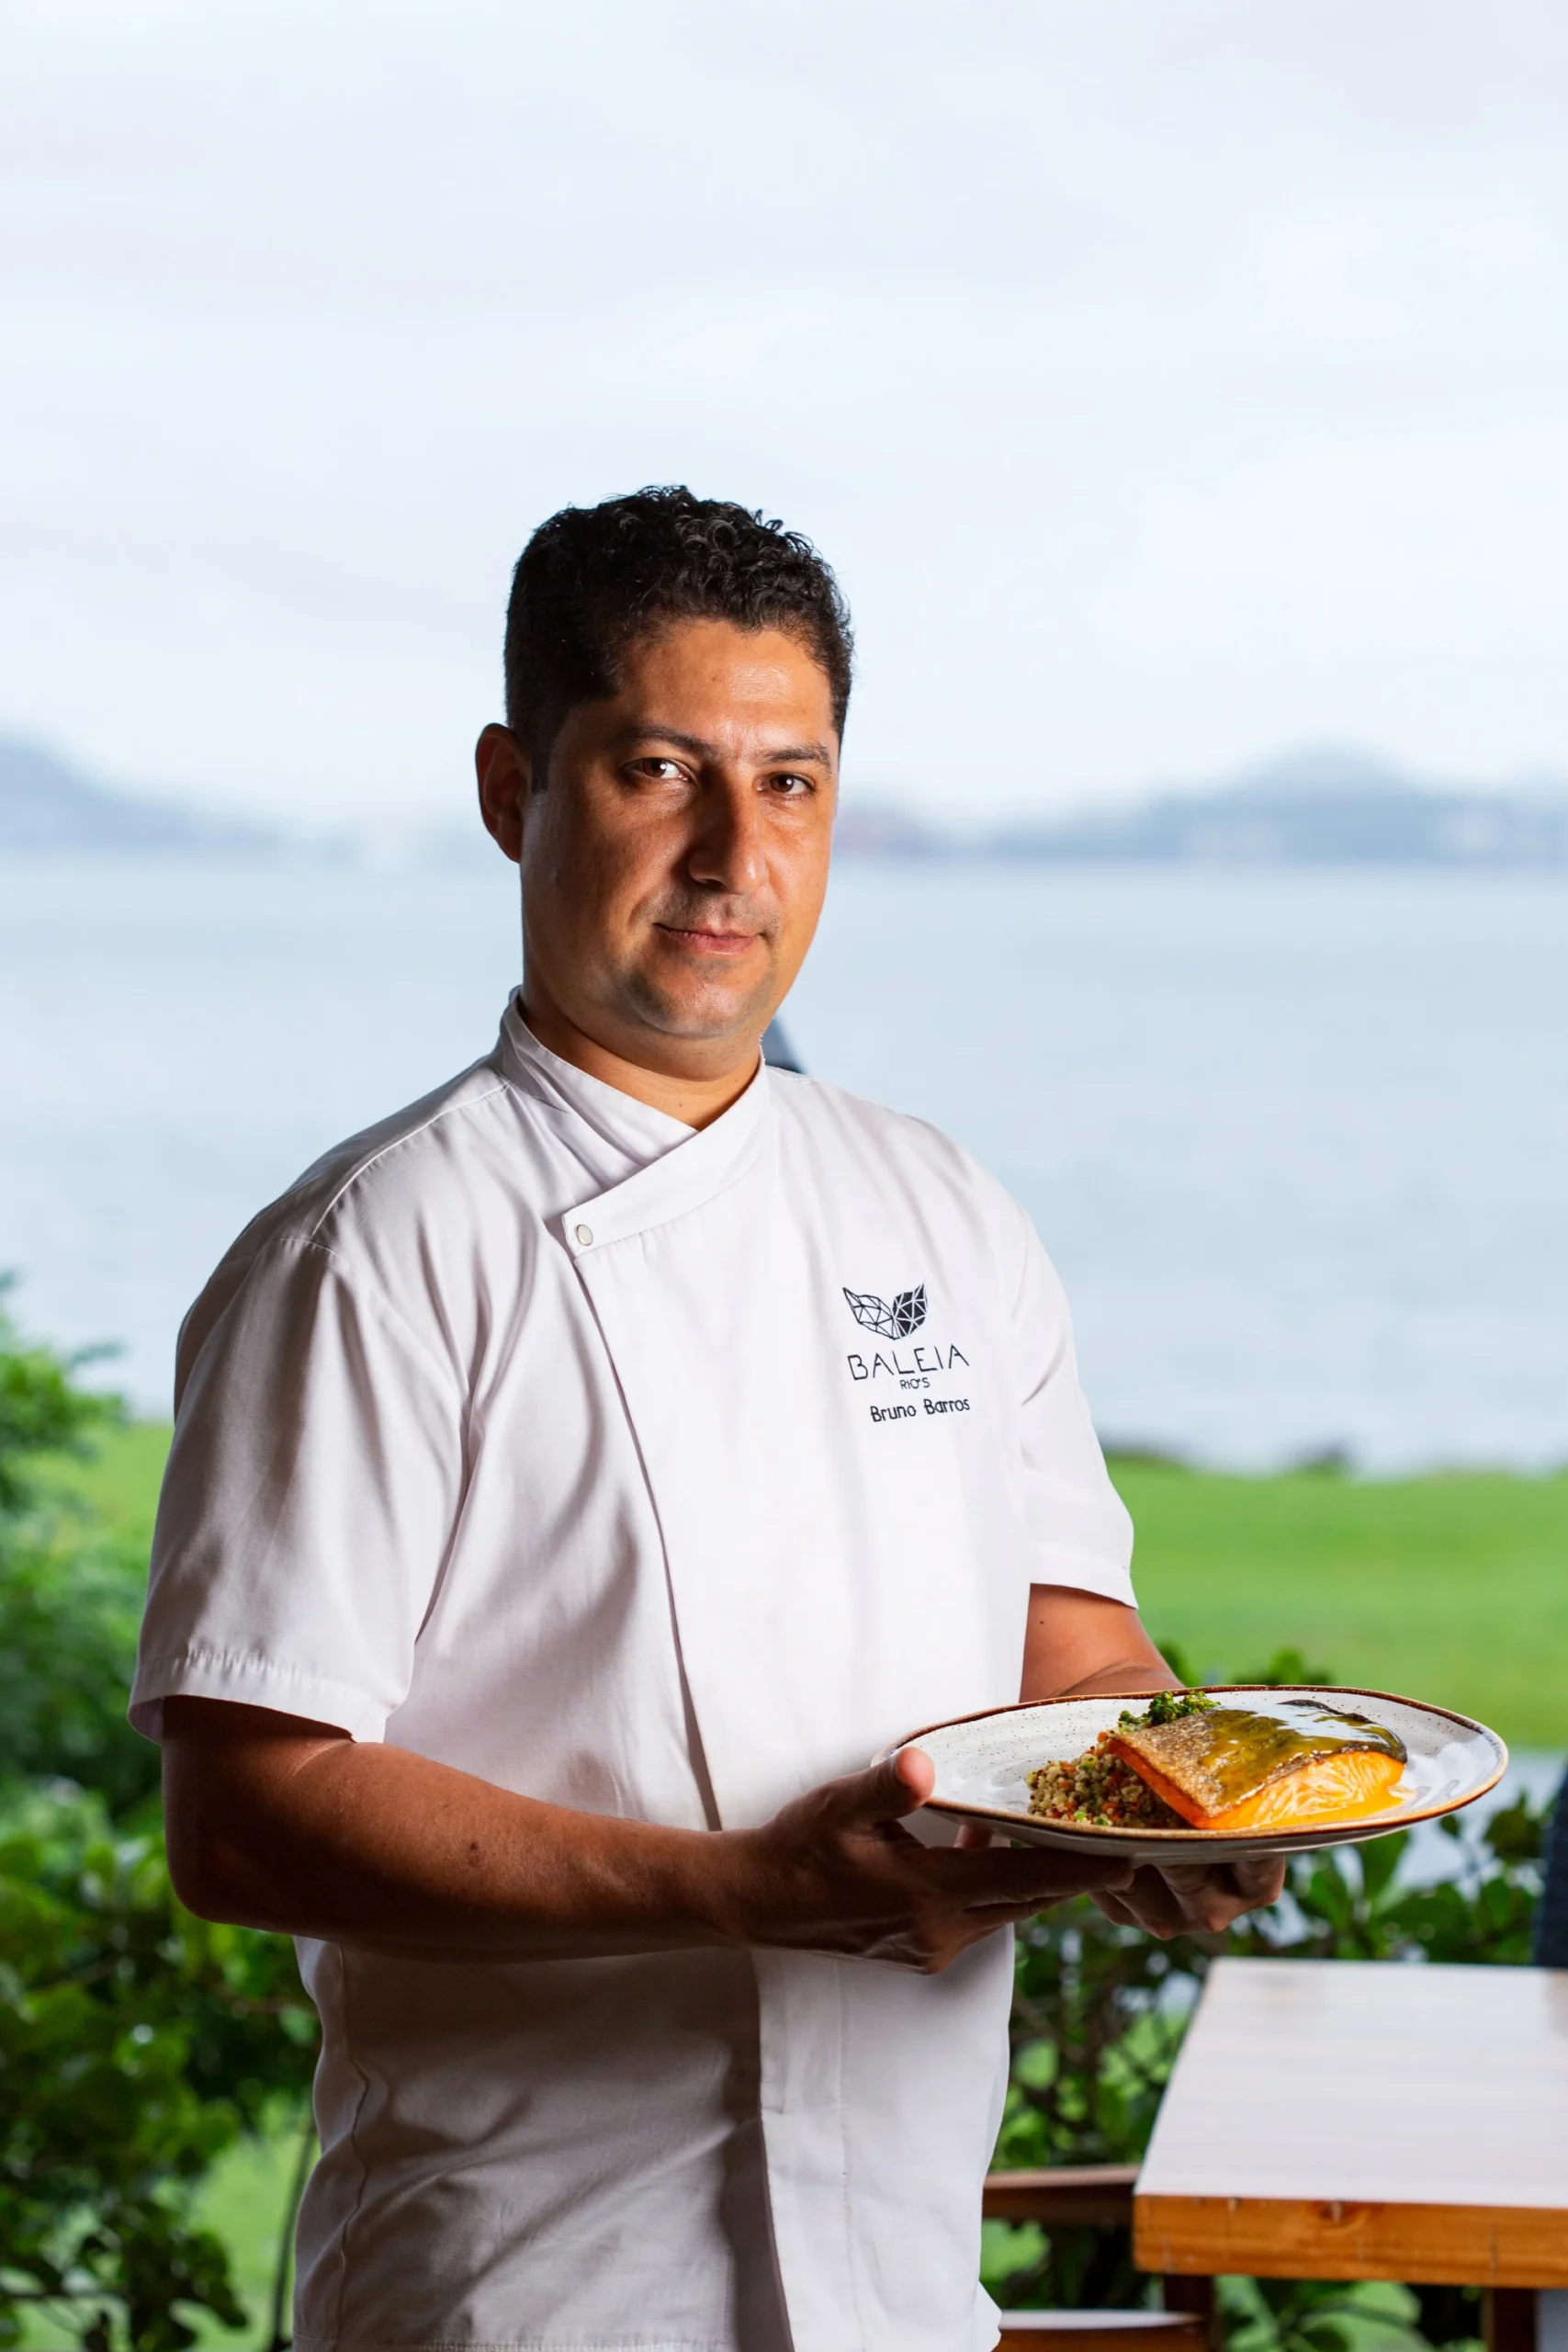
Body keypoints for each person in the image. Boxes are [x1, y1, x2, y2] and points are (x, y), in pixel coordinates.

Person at [134, 488, 1284, 2352]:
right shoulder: (369, 1251)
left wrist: (1165, 1799)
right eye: (662, 769)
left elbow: (1064, 1630)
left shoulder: (941, 1207)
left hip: (902, 2277)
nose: (734, 850)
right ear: (517, 789)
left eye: (793, 782)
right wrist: (743, 1890)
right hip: (530, 2283)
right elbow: (246, 1814)